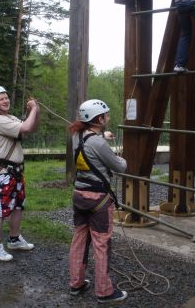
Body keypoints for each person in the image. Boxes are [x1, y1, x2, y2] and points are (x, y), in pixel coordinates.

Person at [68, 99, 128, 304]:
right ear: (99, 119)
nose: (108, 118)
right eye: (106, 115)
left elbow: (90, 143)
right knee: (101, 243)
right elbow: (120, 167)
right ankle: (104, 291)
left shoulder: (77, 135)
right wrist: (122, 158)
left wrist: (103, 136)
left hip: (79, 195)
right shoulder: (99, 143)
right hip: (99, 200)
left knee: (79, 240)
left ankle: (76, 283)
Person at [0, 85, 40, 262]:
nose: (6, 100)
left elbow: (31, 128)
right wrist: (34, 108)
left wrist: (34, 112)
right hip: (4, 173)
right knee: (0, 210)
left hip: (15, 172)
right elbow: (24, 128)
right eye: (1, 98)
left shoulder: (10, 118)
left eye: (6, 97)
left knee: (17, 206)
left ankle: (14, 239)